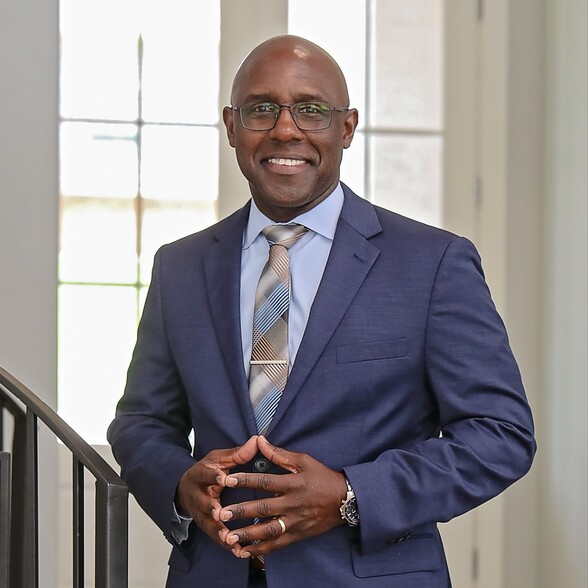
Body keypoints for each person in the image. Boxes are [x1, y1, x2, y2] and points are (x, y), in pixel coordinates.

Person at [108, 35, 536, 588]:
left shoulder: (433, 264)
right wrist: (179, 485)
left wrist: (351, 495)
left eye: (311, 110)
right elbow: (142, 421)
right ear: (232, 126)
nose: (285, 130)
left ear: (347, 128)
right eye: (262, 109)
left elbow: (500, 434)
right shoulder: (181, 267)